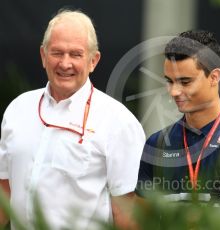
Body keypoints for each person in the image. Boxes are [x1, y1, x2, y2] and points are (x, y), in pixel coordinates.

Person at [0, 9, 145, 229]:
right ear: (43, 56)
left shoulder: (118, 121)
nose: (65, 64)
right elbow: (4, 189)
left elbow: (126, 211)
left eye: (76, 54)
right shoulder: (18, 109)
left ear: (93, 61)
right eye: (57, 52)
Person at [136, 30, 220, 211]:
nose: (174, 92)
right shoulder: (157, 145)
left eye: (185, 82)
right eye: (169, 81)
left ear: (214, 77)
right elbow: (141, 222)